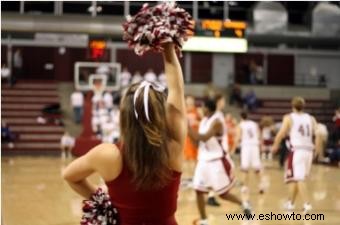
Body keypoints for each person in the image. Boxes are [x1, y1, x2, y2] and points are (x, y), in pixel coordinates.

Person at [63, 43, 186, 225]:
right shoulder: (173, 147)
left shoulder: (107, 154)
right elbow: (177, 90)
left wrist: (103, 199)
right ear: (161, 115)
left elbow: (70, 176)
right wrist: (168, 46)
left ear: (124, 116)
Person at [188, 99, 251, 225]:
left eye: (203, 107)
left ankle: (244, 204)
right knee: (198, 190)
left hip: (217, 161)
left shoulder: (217, 122)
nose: (201, 109)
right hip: (204, 161)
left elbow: (204, 137)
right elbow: (197, 142)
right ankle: (204, 220)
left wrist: (187, 126)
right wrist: (188, 133)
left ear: (208, 108)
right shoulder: (204, 121)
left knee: (223, 194)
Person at [272, 96, 322, 213]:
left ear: (292, 106)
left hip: (297, 151)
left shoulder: (289, 117)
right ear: (303, 106)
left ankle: (307, 204)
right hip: (309, 150)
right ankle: (290, 203)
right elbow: (318, 134)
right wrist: (318, 149)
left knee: (299, 179)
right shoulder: (311, 118)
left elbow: (282, 132)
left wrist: (275, 144)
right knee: (296, 178)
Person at [233, 111, 265, 195]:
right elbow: (260, 135)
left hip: (246, 147)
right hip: (255, 146)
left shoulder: (240, 125)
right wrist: (261, 145)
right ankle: (261, 186)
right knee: (257, 168)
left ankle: (244, 187)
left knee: (245, 168)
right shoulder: (254, 124)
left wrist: (234, 147)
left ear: (241, 117)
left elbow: (238, 137)